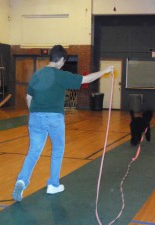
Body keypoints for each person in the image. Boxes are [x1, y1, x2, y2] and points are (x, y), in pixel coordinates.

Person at [12, 45, 114, 202]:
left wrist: (35, 113)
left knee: (33, 152)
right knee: (58, 150)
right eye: (63, 61)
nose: (63, 64)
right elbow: (87, 79)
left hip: (35, 117)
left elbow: (28, 98)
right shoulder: (61, 75)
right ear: (60, 59)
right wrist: (105, 71)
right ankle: (53, 184)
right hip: (54, 118)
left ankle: (21, 181)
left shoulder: (37, 74)